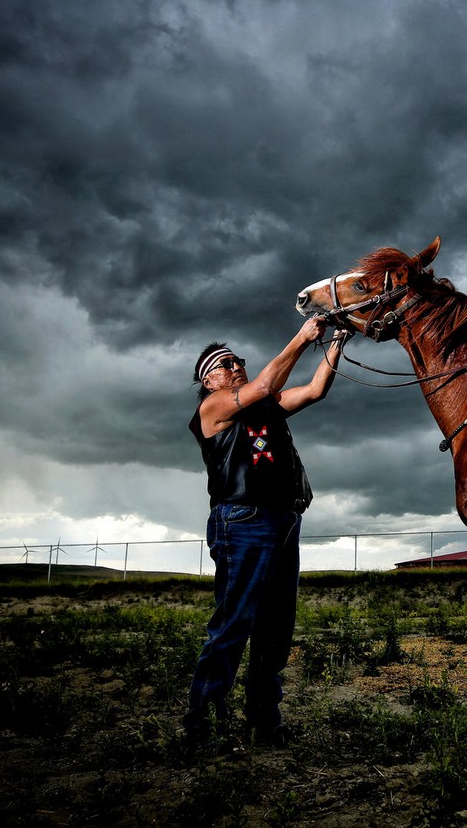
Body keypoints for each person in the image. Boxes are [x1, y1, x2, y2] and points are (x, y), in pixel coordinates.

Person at [183, 316, 346, 753]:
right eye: (222, 364)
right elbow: (261, 386)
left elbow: (314, 390)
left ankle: (263, 720)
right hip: (242, 520)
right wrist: (301, 336)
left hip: (282, 520)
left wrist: (338, 340)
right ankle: (203, 724)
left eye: (237, 359)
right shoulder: (212, 410)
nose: (235, 366)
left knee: (275, 625)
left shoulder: (267, 406)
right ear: (207, 382)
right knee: (234, 622)